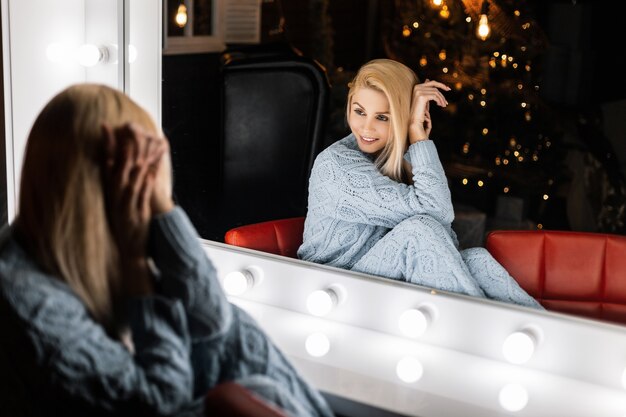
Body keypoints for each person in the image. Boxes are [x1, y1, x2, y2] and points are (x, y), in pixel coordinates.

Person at [0, 84, 334, 417]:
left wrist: (163, 210)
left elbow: (212, 320)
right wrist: (136, 269)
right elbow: (159, 404)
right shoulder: (27, 299)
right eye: (147, 174)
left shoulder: (82, 253)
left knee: (236, 333)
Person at [298, 59, 542, 309]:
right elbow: (436, 212)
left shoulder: (395, 156)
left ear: (403, 115)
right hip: (329, 285)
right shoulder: (336, 165)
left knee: (477, 260)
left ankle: (545, 330)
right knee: (417, 230)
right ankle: (474, 326)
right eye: (359, 111)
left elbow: (441, 226)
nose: (366, 127)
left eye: (382, 117)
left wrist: (415, 141)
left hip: (369, 280)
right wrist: (416, 136)